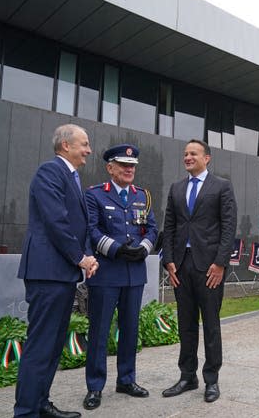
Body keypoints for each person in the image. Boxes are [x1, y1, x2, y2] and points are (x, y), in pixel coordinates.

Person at [14, 124, 98, 418]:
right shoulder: (50, 172)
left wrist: (87, 255)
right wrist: (81, 258)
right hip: (47, 272)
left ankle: (41, 404)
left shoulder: (73, 177)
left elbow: (80, 225)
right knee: (40, 345)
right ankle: (25, 412)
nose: (89, 150)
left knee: (52, 344)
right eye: (84, 144)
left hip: (61, 274)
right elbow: (56, 222)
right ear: (65, 145)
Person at [82, 145, 158, 410]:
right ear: (110, 167)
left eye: (132, 165)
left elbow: (152, 229)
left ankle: (126, 379)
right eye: (123, 165)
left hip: (134, 275)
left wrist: (143, 249)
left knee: (130, 330)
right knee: (100, 331)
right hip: (106, 274)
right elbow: (90, 230)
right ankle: (94, 386)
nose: (129, 169)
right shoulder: (94, 195)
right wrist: (115, 249)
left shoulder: (143, 196)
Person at [161, 139, 237, 403]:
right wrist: (168, 260)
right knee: (186, 325)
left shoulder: (222, 187)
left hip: (210, 268)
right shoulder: (176, 188)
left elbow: (229, 227)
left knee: (211, 325)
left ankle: (211, 380)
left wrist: (220, 263)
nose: (188, 157)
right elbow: (169, 226)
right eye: (185, 154)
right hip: (182, 265)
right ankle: (187, 376)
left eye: (193, 153)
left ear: (207, 158)